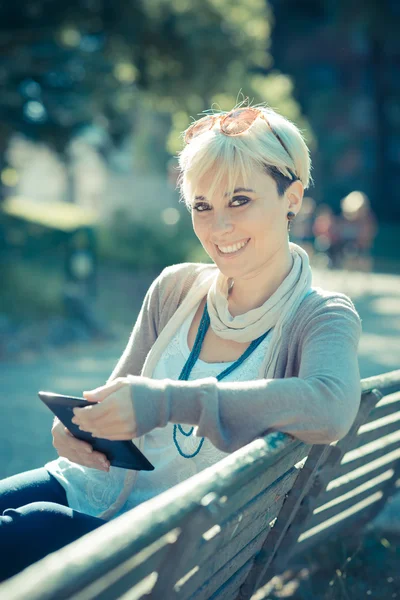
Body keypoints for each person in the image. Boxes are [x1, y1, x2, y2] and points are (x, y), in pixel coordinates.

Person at [0, 103, 362, 582]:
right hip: (97, 488)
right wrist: (81, 430)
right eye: (202, 206)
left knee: (23, 530)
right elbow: (120, 406)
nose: (218, 228)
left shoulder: (321, 316)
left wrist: (169, 401)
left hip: (172, 542)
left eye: (240, 200)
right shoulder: (174, 289)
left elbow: (331, 405)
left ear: (292, 198)